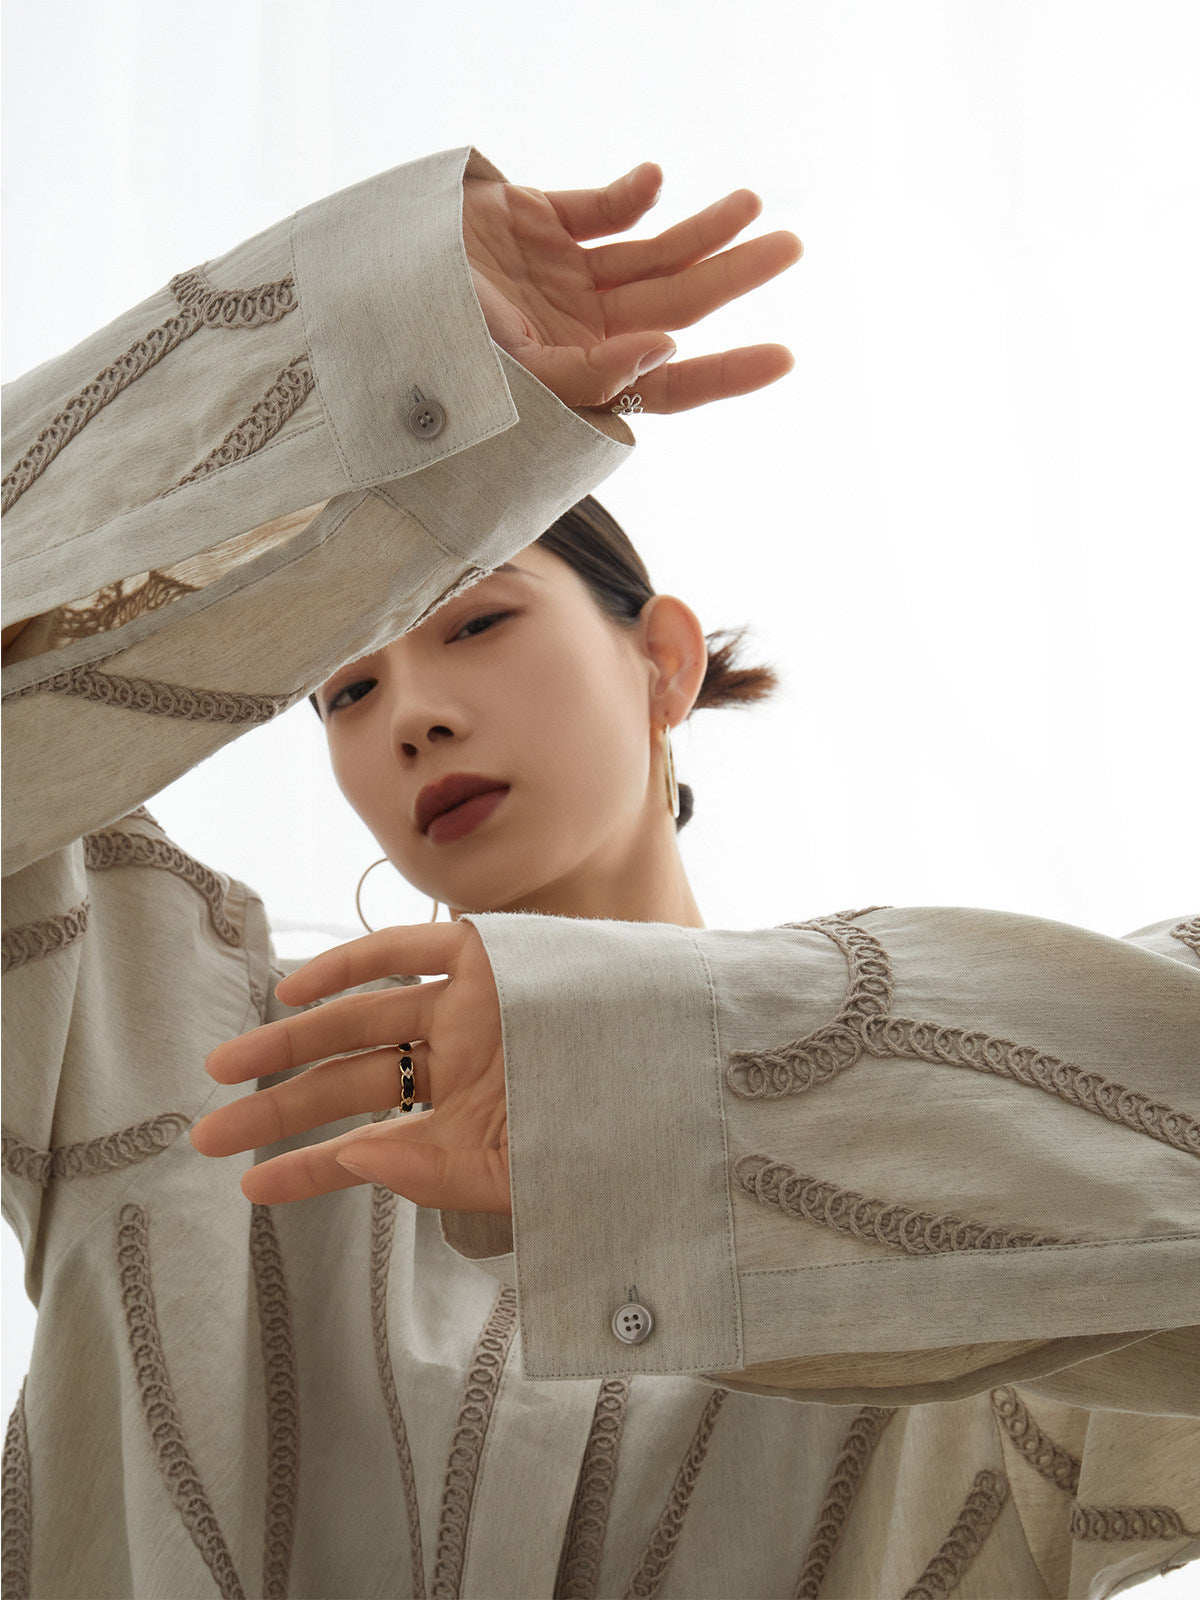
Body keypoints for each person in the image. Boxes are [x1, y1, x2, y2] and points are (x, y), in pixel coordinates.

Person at [1, 143, 1196, 1600]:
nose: (413, 713)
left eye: (478, 622)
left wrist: (664, 1076)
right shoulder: (170, 1054)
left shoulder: (974, 1146)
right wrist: (358, 365)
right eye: (345, 689)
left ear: (664, 659)